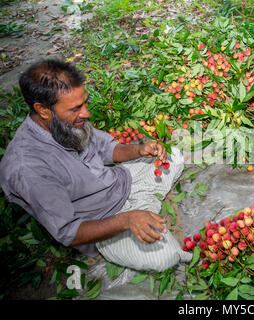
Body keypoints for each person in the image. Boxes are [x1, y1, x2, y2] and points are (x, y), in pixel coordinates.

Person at [0, 59, 192, 271]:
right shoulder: (28, 167)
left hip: (121, 182)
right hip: (102, 221)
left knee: (174, 155)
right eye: (76, 108)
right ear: (43, 110)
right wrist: (126, 220)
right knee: (166, 258)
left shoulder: (67, 121)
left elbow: (108, 149)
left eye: (85, 103)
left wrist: (139, 150)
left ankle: (144, 204)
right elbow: (69, 232)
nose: (86, 113)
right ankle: (139, 215)